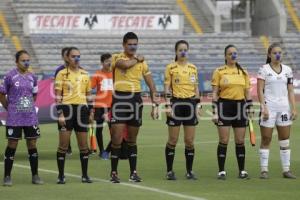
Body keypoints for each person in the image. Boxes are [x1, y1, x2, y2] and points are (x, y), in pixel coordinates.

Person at [109, 32, 159, 183]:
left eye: (135, 44)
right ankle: (114, 173)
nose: (133, 47)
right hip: (120, 99)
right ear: (124, 45)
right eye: (130, 44)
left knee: (132, 139)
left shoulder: (143, 63)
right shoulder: (116, 57)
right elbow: (124, 65)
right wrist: (137, 58)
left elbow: (151, 84)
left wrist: (155, 104)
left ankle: (133, 173)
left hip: (135, 99)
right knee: (116, 138)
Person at [0, 50, 43, 186]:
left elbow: (34, 96)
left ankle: (35, 175)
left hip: (30, 117)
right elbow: (2, 94)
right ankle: (7, 176)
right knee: (12, 144)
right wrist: (10, 108)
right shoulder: (10, 76)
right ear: (16, 62)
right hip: (14, 118)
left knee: (32, 144)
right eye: (23, 60)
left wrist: (27, 106)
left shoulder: (33, 77)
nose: (26, 62)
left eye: (28, 60)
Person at [211, 44, 252, 180]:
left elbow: (247, 92)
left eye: (235, 53)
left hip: (240, 106)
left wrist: (250, 108)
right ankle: (221, 171)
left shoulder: (243, 72)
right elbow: (215, 93)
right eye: (230, 53)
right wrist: (215, 111)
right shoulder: (219, 71)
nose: (233, 55)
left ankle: (242, 171)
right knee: (224, 140)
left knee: (240, 140)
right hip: (224, 106)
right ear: (225, 56)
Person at [257, 43, 297, 179]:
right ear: (269, 55)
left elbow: (291, 90)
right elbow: (260, 90)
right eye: (274, 53)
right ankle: (264, 170)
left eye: (280, 52)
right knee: (266, 139)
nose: (278, 55)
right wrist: (264, 107)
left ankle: (286, 170)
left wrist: (293, 108)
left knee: (285, 140)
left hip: (284, 108)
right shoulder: (263, 69)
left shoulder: (287, 70)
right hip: (269, 108)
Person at [55, 47, 93, 184]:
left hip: (82, 110)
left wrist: (91, 112)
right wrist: (60, 114)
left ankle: (85, 175)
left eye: (78, 56)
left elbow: (89, 95)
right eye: (73, 56)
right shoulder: (61, 74)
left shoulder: (85, 74)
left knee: (84, 146)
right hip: (66, 110)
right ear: (67, 58)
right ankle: (60, 175)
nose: (76, 59)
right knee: (63, 146)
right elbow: (58, 96)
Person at [164, 40, 201, 180]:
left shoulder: (193, 68)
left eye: (185, 49)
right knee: (173, 140)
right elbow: (167, 87)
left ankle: (189, 171)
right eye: (180, 50)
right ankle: (169, 171)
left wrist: (198, 105)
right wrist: (168, 105)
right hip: (176, 104)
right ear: (176, 52)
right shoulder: (170, 67)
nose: (183, 52)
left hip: (190, 104)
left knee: (189, 141)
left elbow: (196, 88)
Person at [90, 53, 113, 159]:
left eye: (111, 60)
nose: (109, 63)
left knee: (114, 130)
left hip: (112, 106)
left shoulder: (115, 74)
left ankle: (110, 150)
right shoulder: (97, 74)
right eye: (107, 61)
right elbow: (89, 87)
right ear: (102, 62)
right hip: (100, 105)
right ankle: (102, 150)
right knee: (99, 129)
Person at [54, 47, 73, 156]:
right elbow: (57, 89)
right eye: (66, 55)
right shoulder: (59, 71)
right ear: (63, 57)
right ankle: (66, 147)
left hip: (77, 103)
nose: (68, 57)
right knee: (64, 126)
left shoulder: (79, 69)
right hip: (64, 102)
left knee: (79, 126)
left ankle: (84, 148)